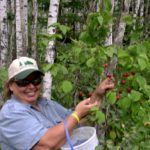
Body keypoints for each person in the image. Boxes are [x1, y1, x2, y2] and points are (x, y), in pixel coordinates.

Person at [0, 56, 114, 150]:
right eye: (23, 82)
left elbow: (76, 123)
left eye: (36, 80)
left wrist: (98, 94)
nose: (31, 86)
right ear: (10, 86)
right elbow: (46, 144)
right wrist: (76, 115)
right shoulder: (10, 114)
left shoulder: (45, 104)